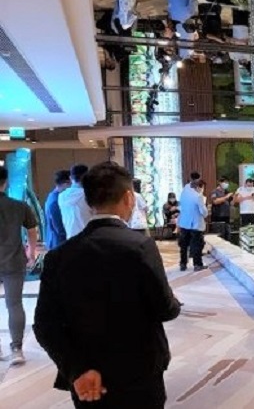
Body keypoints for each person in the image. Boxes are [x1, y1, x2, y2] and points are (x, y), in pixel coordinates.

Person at [34, 162, 181, 409]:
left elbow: (45, 325)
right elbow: (164, 308)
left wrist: (77, 369)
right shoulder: (140, 246)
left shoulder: (58, 256)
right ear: (128, 197)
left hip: (87, 378)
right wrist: (174, 303)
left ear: (88, 201)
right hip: (139, 370)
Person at [0, 165, 39, 366]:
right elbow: (32, 229)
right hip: (13, 260)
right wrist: (31, 251)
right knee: (14, 304)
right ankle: (17, 349)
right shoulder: (19, 206)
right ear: (5, 182)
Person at [178, 179, 208, 271]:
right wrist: (206, 213)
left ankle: (183, 263)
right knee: (196, 245)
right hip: (195, 224)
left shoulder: (184, 194)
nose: (202, 190)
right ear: (199, 187)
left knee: (184, 245)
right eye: (202, 187)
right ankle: (197, 264)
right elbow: (203, 212)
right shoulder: (198, 196)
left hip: (184, 223)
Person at [59, 164, 92, 239]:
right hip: (87, 238)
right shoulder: (88, 195)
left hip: (70, 238)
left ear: (70, 178)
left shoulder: (61, 196)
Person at [44, 170, 71, 251]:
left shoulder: (52, 196)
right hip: (58, 243)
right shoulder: (56, 200)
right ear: (66, 183)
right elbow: (59, 228)